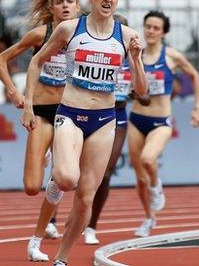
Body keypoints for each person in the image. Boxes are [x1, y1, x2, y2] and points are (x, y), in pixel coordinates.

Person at [21, 0, 147, 266]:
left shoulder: (127, 36)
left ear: (118, 0)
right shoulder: (70, 29)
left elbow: (141, 91)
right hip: (70, 115)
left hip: (104, 120)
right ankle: (56, 180)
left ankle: (62, 258)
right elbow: (36, 61)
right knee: (66, 178)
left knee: (86, 199)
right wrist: (28, 103)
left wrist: (138, 59)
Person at [0, 0, 80, 261]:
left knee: (61, 180)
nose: (65, 6)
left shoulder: (84, 35)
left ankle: (36, 239)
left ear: (78, 6)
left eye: (70, 1)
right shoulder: (39, 35)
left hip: (69, 113)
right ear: (51, 7)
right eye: (60, 2)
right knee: (31, 187)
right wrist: (16, 94)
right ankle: (47, 159)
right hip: (41, 112)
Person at [128, 10, 199, 237]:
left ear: (164, 32)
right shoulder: (135, 53)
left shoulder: (171, 56)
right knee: (139, 177)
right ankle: (148, 218)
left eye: (156, 28)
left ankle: (157, 185)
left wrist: (197, 107)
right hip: (136, 118)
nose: (151, 31)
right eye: (148, 26)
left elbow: (195, 75)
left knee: (148, 160)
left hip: (161, 121)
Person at [83, 13, 130, 245]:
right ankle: (53, 218)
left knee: (106, 172)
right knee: (71, 173)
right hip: (89, 111)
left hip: (117, 115)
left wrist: (137, 92)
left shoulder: (133, 58)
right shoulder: (98, 51)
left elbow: (146, 93)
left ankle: (91, 226)